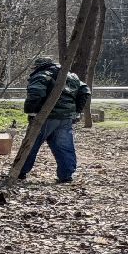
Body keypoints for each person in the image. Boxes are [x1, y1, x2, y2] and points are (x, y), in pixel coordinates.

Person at [19, 56, 90, 184]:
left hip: (45, 117)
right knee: (64, 147)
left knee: (31, 144)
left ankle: (20, 171)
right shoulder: (70, 75)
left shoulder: (42, 75)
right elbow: (85, 91)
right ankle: (66, 175)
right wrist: (76, 111)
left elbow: (35, 93)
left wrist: (32, 112)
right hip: (66, 118)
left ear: (39, 66)